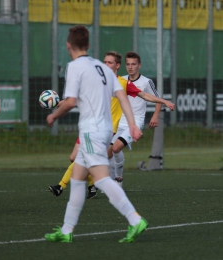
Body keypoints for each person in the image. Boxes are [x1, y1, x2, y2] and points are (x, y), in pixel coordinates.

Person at [45, 25, 147, 243]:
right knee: (78, 178)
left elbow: (71, 101)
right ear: (89, 46)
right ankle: (66, 230)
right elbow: (121, 96)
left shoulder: (75, 67)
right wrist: (132, 124)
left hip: (92, 131)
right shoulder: (100, 68)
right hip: (102, 130)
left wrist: (54, 116)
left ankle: (135, 219)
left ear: (68, 45)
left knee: (101, 179)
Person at [48, 51, 127, 199]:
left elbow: (141, 95)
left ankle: (60, 186)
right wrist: (58, 103)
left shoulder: (122, 83)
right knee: (73, 157)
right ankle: (92, 186)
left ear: (117, 66)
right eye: (105, 62)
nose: (106, 65)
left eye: (110, 62)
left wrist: (161, 102)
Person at [111, 51, 172, 187]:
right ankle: (110, 181)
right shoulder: (122, 80)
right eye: (128, 64)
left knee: (116, 148)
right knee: (110, 152)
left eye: (133, 64)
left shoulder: (146, 82)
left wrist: (155, 115)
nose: (130, 67)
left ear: (139, 65)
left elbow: (155, 98)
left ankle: (118, 178)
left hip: (135, 123)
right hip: (119, 122)